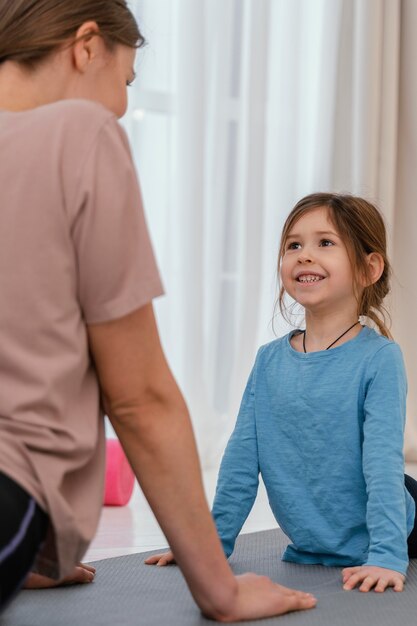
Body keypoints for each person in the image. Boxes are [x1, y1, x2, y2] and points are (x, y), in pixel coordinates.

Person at [0, 0, 317, 620]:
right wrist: (220, 589)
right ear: (86, 45)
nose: (120, 108)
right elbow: (140, 397)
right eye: (125, 83)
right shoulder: (78, 132)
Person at [148, 192, 417, 594]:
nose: (304, 255)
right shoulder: (269, 361)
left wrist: (386, 556)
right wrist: (208, 547)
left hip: (399, 516)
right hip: (317, 535)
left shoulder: (379, 358)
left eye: (325, 242)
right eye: (294, 245)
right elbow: (241, 461)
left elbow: (381, 465)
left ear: (368, 268)